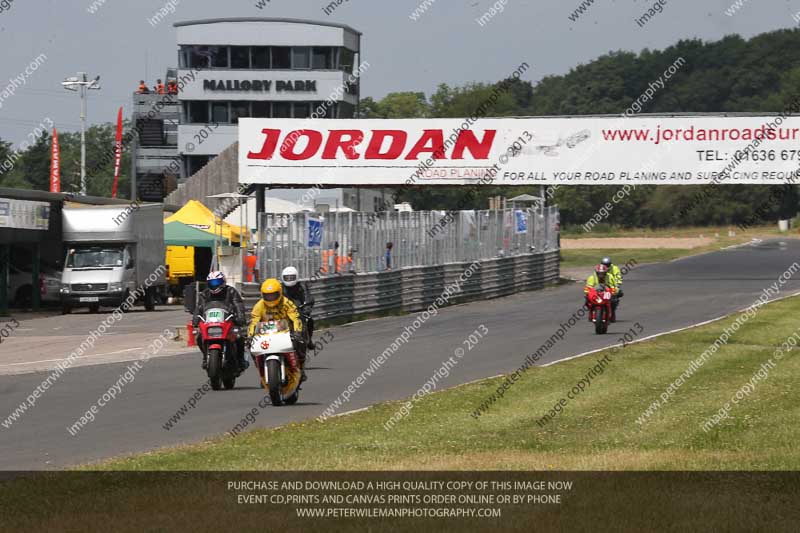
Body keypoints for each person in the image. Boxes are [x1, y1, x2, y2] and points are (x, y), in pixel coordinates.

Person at [249, 278, 308, 382]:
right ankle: (262, 370)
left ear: (279, 293)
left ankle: (301, 368)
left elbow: (296, 317)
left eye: (273, 295)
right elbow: (254, 322)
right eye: (267, 295)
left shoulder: (287, 303)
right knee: (252, 348)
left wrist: (297, 332)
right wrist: (250, 335)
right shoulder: (259, 306)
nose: (270, 298)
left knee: (301, 343)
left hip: (286, 333)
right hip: (265, 335)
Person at [192, 271, 248, 371]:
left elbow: (238, 305)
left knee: (239, 337)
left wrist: (240, 317)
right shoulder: (205, 294)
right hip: (210, 322)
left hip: (228, 321)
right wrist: (195, 320)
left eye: (216, 282)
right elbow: (199, 308)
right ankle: (206, 357)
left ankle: (240, 360)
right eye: (212, 283)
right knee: (199, 337)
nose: (214, 285)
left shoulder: (231, 291)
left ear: (223, 282)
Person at [281, 266, 315, 344]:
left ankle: (309, 339)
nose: (289, 279)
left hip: (299, 311)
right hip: (284, 312)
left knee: (310, 320)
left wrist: (306, 308)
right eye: (287, 278)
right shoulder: (280, 288)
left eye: (291, 277)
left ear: (296, 277)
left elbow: (308, 297)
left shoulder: (302, 287)